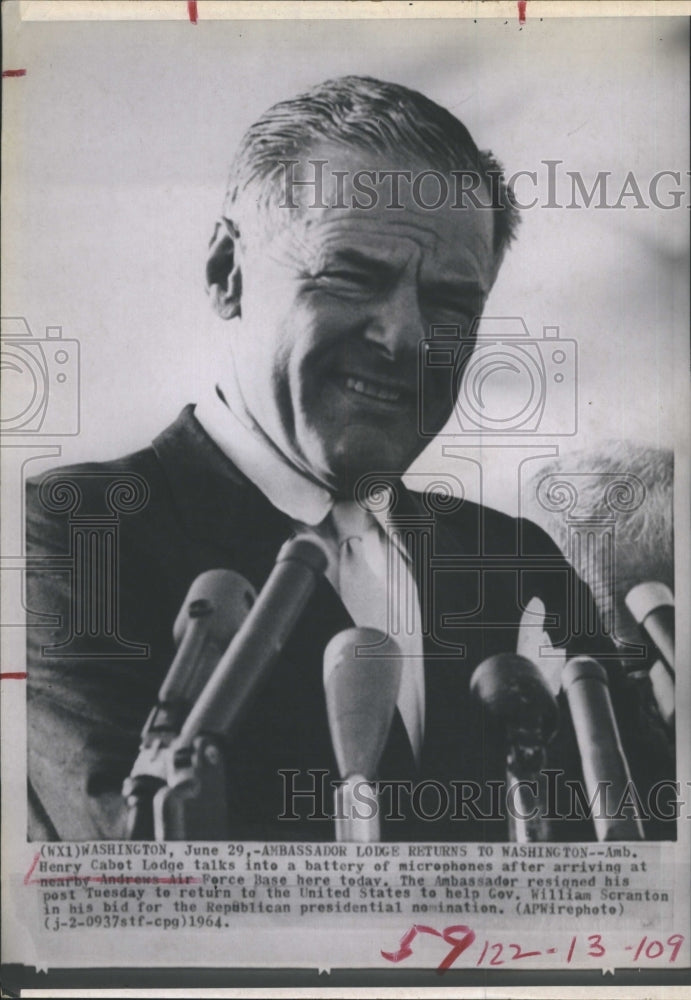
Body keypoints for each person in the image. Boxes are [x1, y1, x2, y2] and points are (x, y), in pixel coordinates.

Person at [26, 76, 673, 842]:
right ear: (226, 272)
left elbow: (634, 871)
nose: (402, 336)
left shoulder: (516, 559)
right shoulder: (75, 532)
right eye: (351, 275)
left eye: (449, 304)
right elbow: (139, 878)